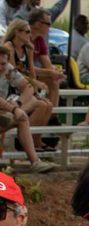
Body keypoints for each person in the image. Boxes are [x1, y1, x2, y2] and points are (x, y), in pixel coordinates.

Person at [0, 44, 53, 172]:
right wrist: (14, 109)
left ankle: (35, 162)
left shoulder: (8, 68)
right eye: (0, 64)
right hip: (4, 110)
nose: (2, 67)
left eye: (4, 63)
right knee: (27, 109)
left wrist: (18, 104)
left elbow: (28, 86)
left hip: (3, 111)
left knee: (23, 116)